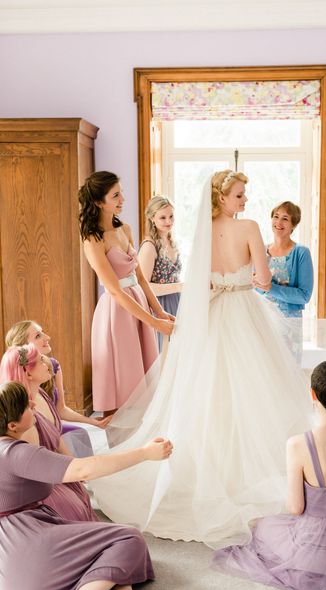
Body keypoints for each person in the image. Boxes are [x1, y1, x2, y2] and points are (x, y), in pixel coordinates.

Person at [92, 170, 313, 549]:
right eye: (240, 195)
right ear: (223, 198)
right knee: (255, 390)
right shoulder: (248, 228)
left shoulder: (204, 232)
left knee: (208, 393)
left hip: (212, 313)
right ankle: (249, 470)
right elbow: (263, 280)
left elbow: (198, 282)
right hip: (243, 311)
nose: (245, 200)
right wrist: (249, 279)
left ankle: (211, 469)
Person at [0, 380, 172, 590]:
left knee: (97, 543)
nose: (33, 404)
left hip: (9, 572)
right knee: (128, 538)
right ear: (12, 426)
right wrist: (145, 453)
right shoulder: (15, 454)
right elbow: (83, 469)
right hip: (27, 548)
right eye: (26, 405)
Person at [212, 361, 326, 590]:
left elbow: (296, 508)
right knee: (274, 527)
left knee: (263, 527)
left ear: (313, 394)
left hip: (315, 552)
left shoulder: (299, 443)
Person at [79, 171, 174, 415]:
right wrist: (154, 322)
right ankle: (117, 436)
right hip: (116, 311)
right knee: (119, 378)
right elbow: (114, 290)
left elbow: (140, 278)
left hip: (138, 302)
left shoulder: (126, 229)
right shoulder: (92, 239)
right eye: (115, 196)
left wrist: (160, 312)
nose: (123, 199)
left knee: (143, 379)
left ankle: (142, 435)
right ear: (99, 202)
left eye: (121, 193)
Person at [0, 344, 98, 521]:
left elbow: (57, 438)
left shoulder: (41, 396)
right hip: (46, 486)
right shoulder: (27, 422)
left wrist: (72, 464)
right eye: (41, 361)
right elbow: (33, 472)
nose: (48, 364)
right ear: (28, 373)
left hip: (59, 473)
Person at [5, 319, 110, 432]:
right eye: (38, 336)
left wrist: (94, 422)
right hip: (31, 429)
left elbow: (61, 409)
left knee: (79, 432)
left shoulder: (53, 365)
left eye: (42, 333)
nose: (47, 337)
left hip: (52, 424)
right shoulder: (14, 379)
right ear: (24, 347)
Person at [256, 201, 314, 362]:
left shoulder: (301, 253)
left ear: (293, 225)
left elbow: (304, 295)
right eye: (276, 217)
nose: (278, 222)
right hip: (263, 321)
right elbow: (253, 285)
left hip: (289, 326)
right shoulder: (260, 250)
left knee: (287, 368)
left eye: (285, 218)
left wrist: (270, 288)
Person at [138, 196, 183, 350]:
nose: (168, 221)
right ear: (152, 218)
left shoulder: (172, 242)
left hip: (177, 303)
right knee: (163, 353)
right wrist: (179, 286)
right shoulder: (149, 247)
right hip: (159, 307)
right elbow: (143, 286)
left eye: (171, 216)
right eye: (162, 217)